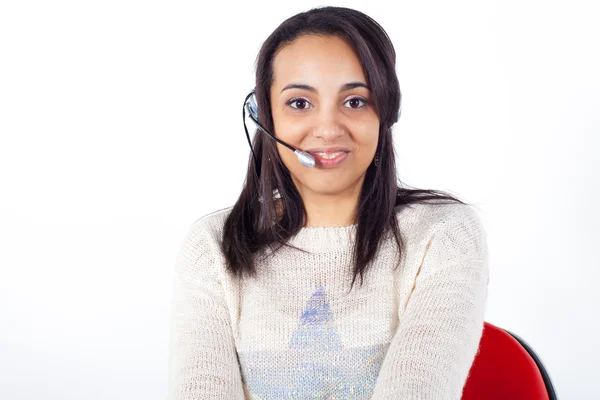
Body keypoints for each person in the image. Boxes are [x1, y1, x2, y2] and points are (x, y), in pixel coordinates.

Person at [168, 5, 489, 400]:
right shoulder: (212, 246)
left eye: (355, 101)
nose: (328, 129)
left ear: (387, 112)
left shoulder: (444, 235)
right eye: (299, 103)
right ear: (264, 117)